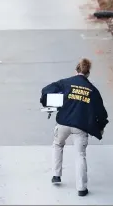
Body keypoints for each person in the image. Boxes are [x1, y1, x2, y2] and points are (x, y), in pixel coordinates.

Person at [40, 58, 108, 197]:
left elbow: (46, 90)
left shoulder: (65, 82)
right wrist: (100, 126)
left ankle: (56, 175)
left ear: (76, 71)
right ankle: (82, 188)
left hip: (63, 123)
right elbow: (101, 112)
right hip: (81, 126)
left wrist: (48, 103)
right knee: (80, 155)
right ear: (88, 73)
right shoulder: (92, 90)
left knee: (58, 144)